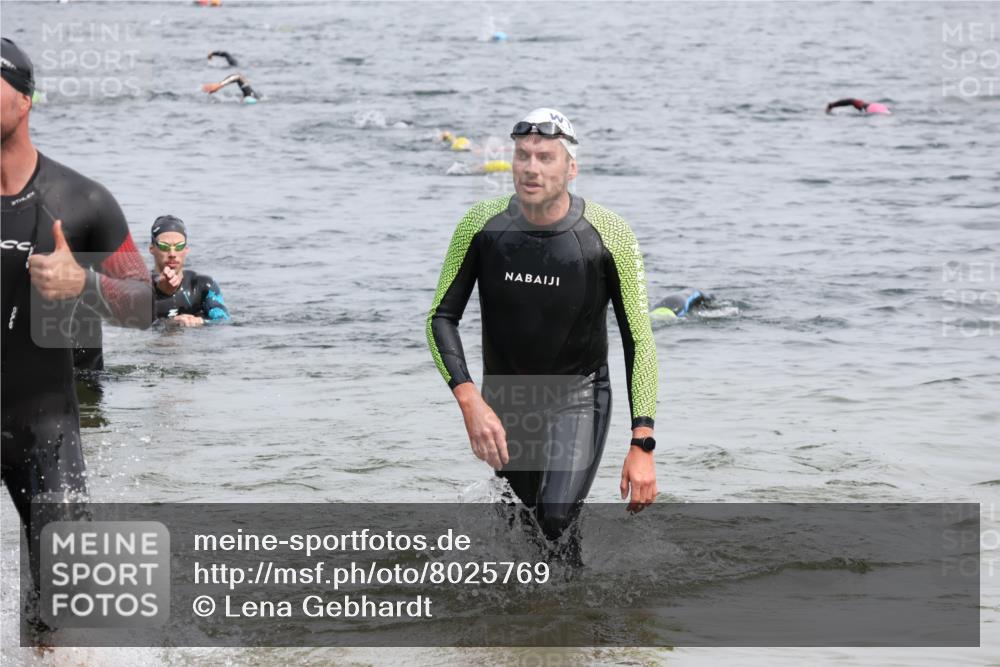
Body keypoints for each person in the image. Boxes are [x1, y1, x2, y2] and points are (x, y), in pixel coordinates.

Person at [427, 108, 659, 558]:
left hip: (579, 395)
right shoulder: (481, 225)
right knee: (523, 532)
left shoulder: (608, 233)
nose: (531, 168)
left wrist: (642, 442)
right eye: (522, 156)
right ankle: (557, 622)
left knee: (554, 517)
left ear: (571, 167)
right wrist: (470, 400)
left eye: (545, 157)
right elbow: (440, 318)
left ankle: (574, 620)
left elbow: (639, 340)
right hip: (505, 401)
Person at [1, 37, 152, 630]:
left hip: (46, 431)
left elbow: (142, 302)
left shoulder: (82, 200)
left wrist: (82, 288)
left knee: (66, 615)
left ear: (25, 100)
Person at [149, 215, 230, 326]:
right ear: (152, 249)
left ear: (186, 249)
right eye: (164, 246)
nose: (172, 254)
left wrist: (200, 322)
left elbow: (223, 320)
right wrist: (171, 323)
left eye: (179, 246)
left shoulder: (202, 286)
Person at [825, 98, 891, 115]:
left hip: (874, 110)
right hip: (881, 109)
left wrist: (832, 105)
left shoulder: (863, 105)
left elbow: (850, 101)